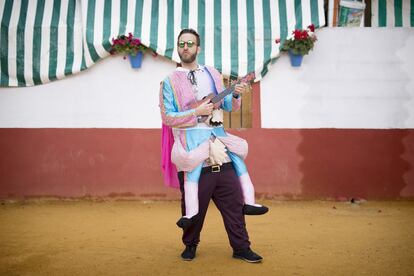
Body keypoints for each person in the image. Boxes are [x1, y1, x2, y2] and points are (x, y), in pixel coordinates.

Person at [159, 28, 266, 263]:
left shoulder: (213, 73)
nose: (185, 47)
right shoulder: (169, 82)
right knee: (192, 205)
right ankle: (190, 245)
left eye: (190, 43)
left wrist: (236, 95)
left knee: (234, 203)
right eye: (181, 44)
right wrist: (196, 112)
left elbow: (228, 105)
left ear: (198, 48)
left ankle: (241, 247)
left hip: (220, 147)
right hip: (192, 150)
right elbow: (168, 117)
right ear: (178, 48)